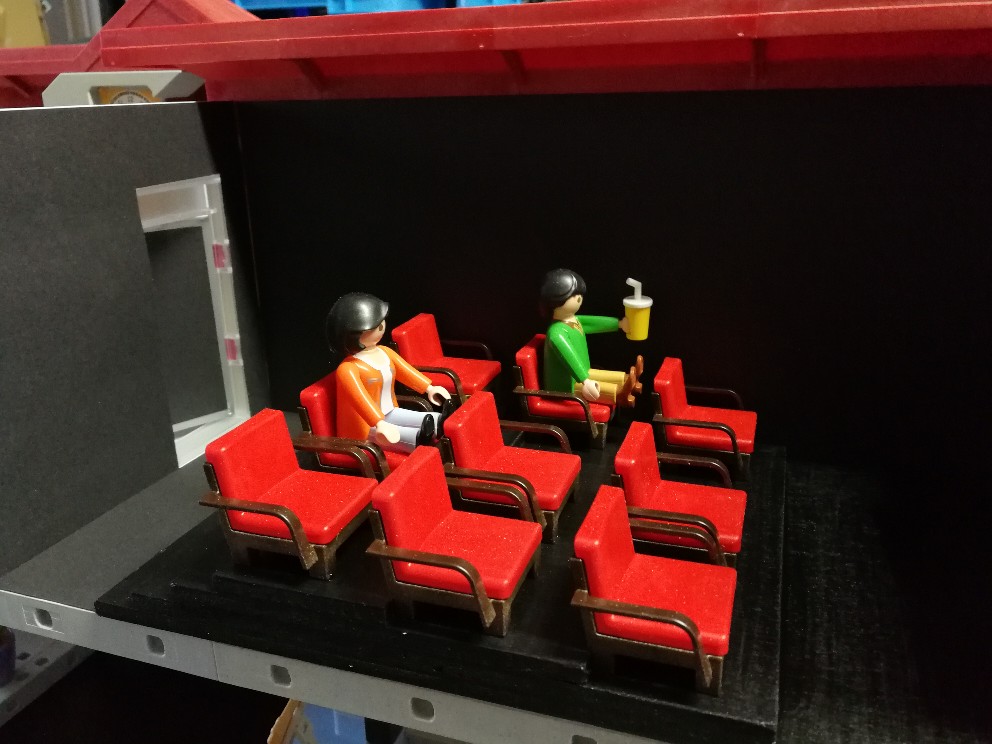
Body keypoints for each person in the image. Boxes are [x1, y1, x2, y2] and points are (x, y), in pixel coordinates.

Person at [326, 292, 452, 452]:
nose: (381, 327)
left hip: (389, 411)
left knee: (429, 419)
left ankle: (438, 423)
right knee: (403, 435)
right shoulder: (348, 368)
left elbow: (405, 371)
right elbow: (360, 400)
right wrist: (378, 422)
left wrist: (429, 388)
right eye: (374, 326)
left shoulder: (384, 352)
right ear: (353, 335)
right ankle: (419, 439)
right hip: (363, 426)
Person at [540, 269, 643, 407]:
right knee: (600, 388)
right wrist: (584, 380)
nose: (579, 298)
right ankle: (620, 394)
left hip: (583, 373)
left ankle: (627, 380)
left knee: (605, 376)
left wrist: (618, 324)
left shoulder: (574, 320)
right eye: (572, 295)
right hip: (565, 386)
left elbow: (593, 323)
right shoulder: (556, 333)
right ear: (555, 301)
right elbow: (569, 357)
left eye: (579, 294)